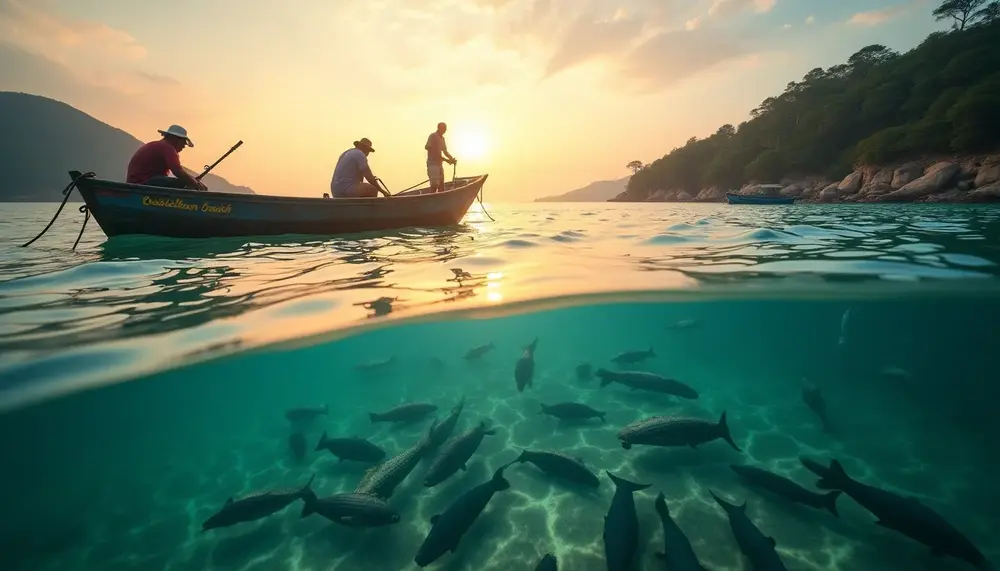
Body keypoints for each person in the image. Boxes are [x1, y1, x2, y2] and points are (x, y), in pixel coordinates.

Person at [126, 124, 207, 190]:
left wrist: (192, 179)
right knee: (183, 182)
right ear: (176, 139)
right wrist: (195, 183)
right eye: (184, 142)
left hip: (137, 183)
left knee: (184, 181)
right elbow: (178, 171)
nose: (184, 146)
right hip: (142, 184)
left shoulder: (159, 145)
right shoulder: (167, 148)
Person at [425, 122, 456, 193]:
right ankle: (432, 199)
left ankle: (441, 199)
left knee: (441, 184)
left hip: (439, 164)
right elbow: (427, 147)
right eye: (444, 128)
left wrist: (451, 159)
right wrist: (447, 160)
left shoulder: (442, 139)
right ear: (439, 128)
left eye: (445, 129)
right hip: (432, 164)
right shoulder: (433, 136)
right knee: (434, 185)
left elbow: (445, 151)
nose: (445, 130)